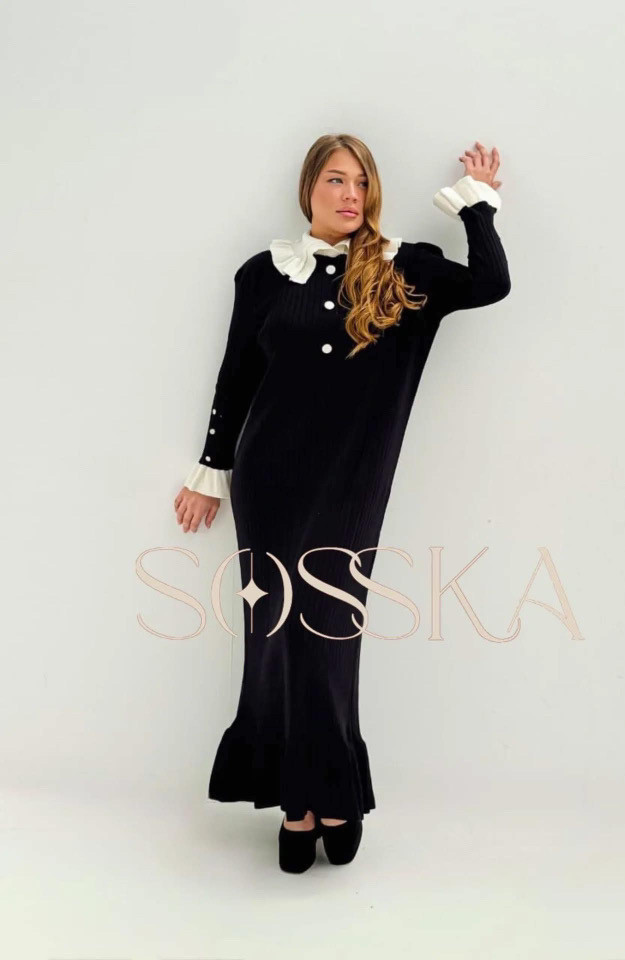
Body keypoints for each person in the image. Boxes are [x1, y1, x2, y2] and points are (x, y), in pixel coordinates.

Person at [173, 133, 511, 873]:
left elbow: (490, 284)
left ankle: (332, 793)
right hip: (268, 480)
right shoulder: (265, 273)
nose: (350, 193)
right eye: (335, 179)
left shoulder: (402, 268)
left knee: (325, 633)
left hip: (350, 484)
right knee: (274, 634)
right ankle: (299, 804)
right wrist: (210, 469)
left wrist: (477, 204)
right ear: (309, 190)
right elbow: (237, 375)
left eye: (361, 182)